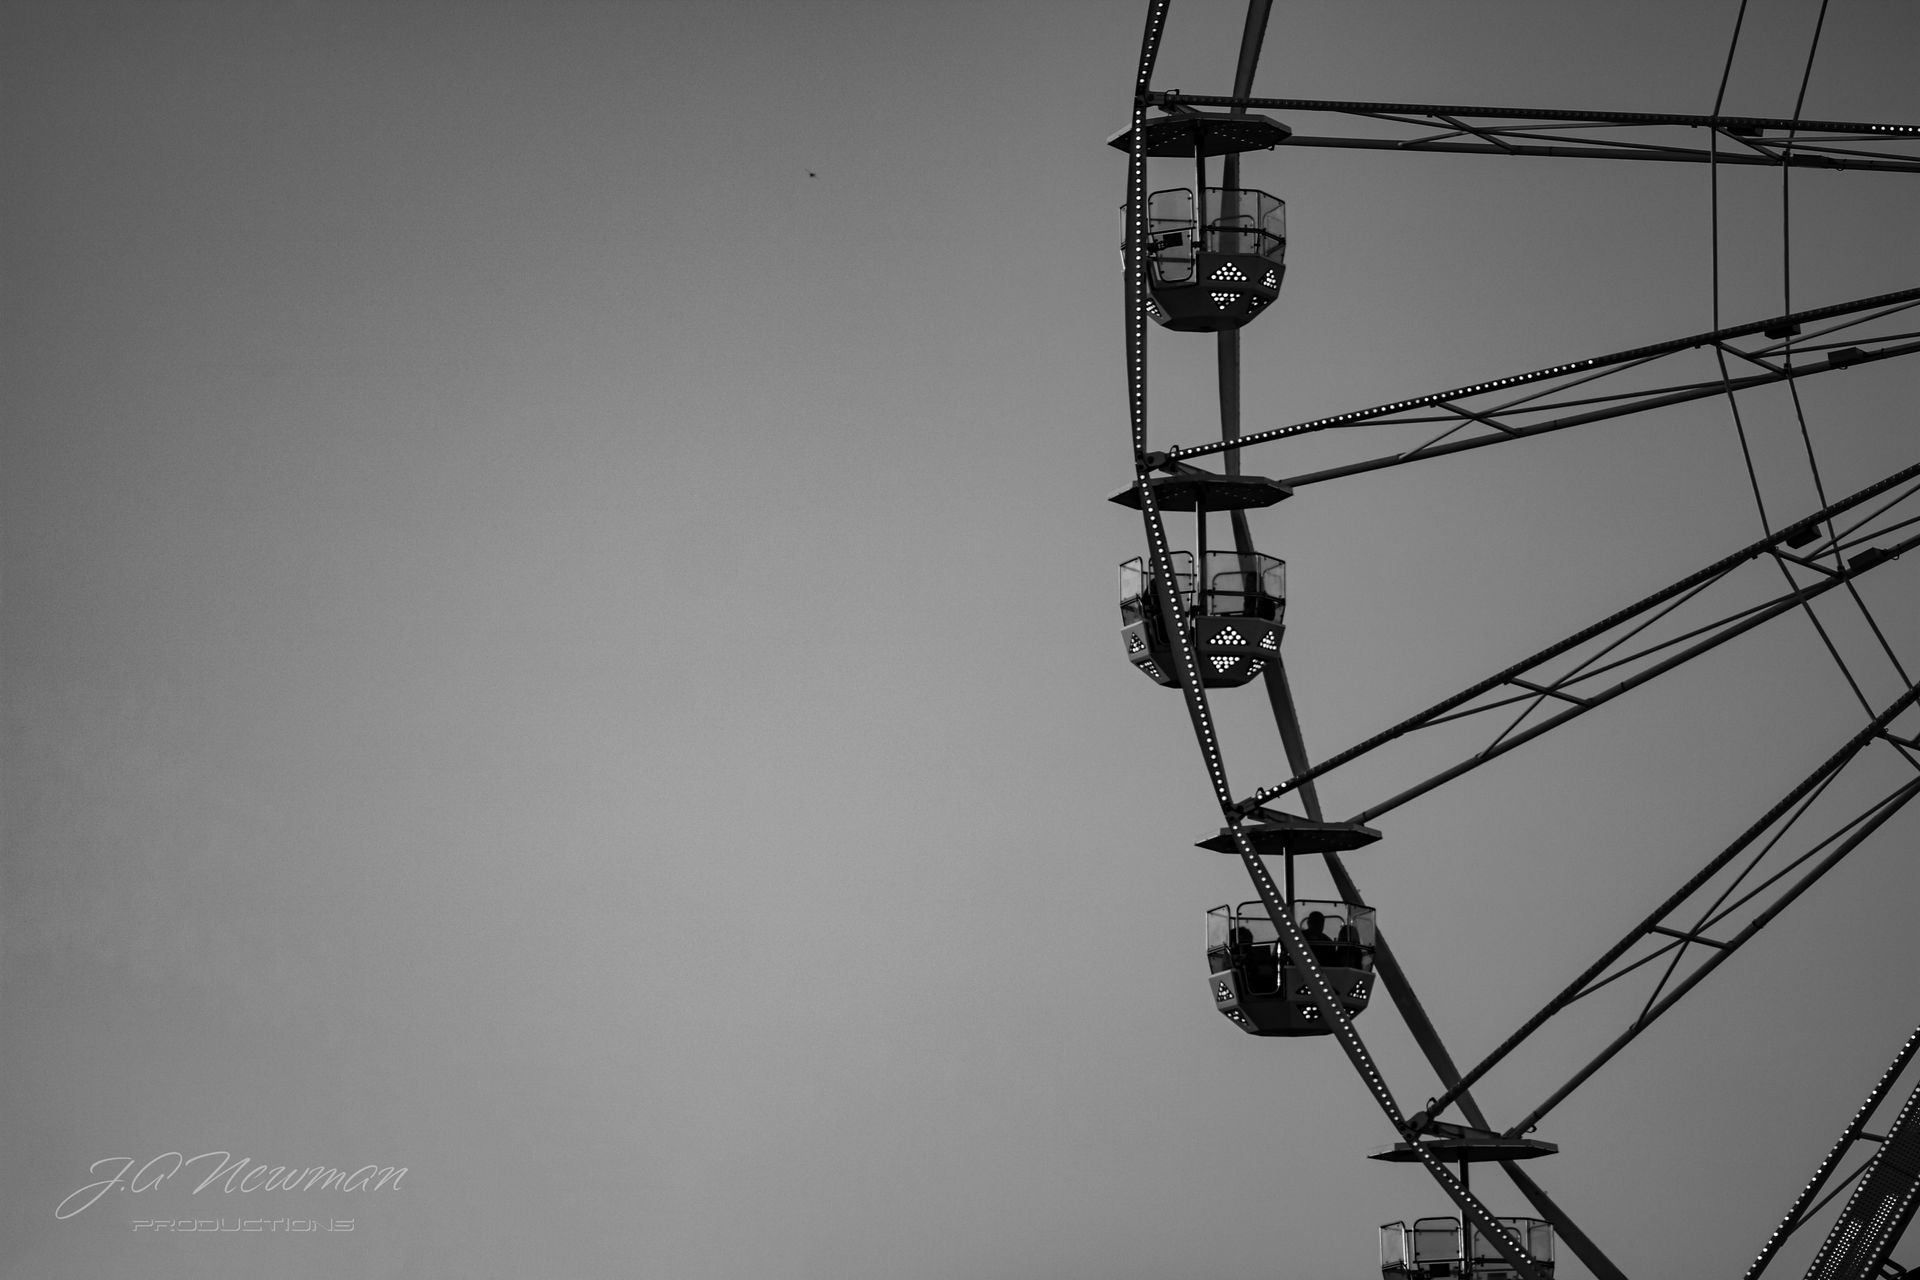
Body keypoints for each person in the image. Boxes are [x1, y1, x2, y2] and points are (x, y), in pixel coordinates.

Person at [1232, 925, 1278, 995]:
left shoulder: (1252, 956)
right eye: (1247, 942)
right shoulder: (1230, 958)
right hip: (1245, 987)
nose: (1249, 944)